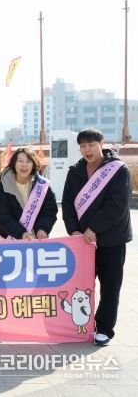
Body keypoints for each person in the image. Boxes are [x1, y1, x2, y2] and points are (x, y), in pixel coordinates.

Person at [62, 128, 133, 347]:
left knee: (110, 286)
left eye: (92, 144)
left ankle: (104, 328)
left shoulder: (118, 170)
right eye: (83, 146)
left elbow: (117, 205)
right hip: (82, 241)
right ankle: (80, 324)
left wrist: (94, 228)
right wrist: (74, 230)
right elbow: (67, 204)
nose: (87, 150)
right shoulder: (75, 171)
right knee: (81, 285)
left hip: (112, 239)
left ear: (101, 144)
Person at [0, 147, 58, 240]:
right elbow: (3, 216)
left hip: (36, 237)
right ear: (14, 164)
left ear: (33, 164)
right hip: (11, 237)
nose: (24, 165)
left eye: (28, 161)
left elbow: (49, 211)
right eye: (20, 161)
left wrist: (43, 228)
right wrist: (21, 233)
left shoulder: (42, 185)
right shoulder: (3, 186)